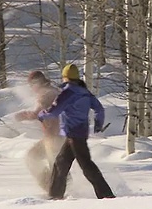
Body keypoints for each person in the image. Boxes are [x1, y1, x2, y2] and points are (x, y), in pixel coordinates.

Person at [38, 64, 115, 200]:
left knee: (86, 165)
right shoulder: (84, 92)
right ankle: (55, 195)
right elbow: (99, 109)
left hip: (74, 133)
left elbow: (54, 111)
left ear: (65, 77)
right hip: (77, 132)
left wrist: (42, 115)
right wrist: (98, 124)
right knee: (61, 163)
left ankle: (106, 195)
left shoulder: (68, 92)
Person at [14, 70, 67, 193]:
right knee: (35, 158)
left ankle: (56, 190)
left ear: (36, 83)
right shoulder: (53, 91)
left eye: (31, 85)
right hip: (57, 135)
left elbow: (37, 113)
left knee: (44, 162)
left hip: (54, 137)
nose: (31, 88)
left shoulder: (46, 94)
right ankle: (52, 185)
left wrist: (22, 116)